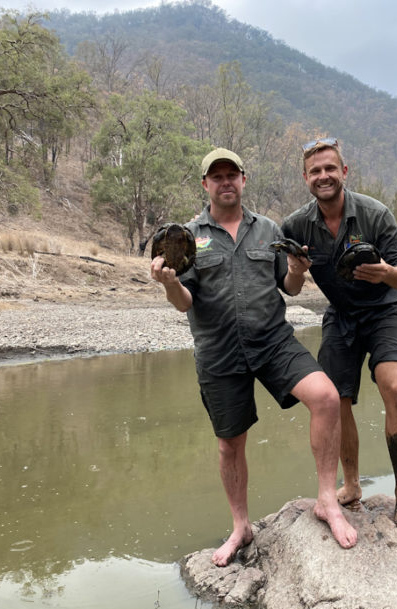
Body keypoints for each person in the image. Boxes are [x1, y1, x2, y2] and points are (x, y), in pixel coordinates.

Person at [150, 147, 357, 567]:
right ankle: (241, 527)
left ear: (243, 180)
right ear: (205, 184)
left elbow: (290, 287)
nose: (225, 182)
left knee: (326, 397)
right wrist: (169, 283)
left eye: (232, 175)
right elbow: (184, 302)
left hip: (272, 341)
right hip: (219, 349)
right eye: (217, 176)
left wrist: (297, 269)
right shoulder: (188, 237)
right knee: (230, 444)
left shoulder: (268, 230)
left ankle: (326, 500)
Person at [282, 137, 397, 531]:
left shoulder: (375, 215)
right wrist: (295, 270)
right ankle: (352, 484)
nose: (323, 176)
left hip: (385, 310)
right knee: (333, 398)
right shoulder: (296, 225)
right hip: (340, 315)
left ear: (344, 172)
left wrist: (385, 272)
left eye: (330, 168)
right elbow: (291, 289)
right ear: (306, 178)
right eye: (315, 171)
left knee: (395, 387)